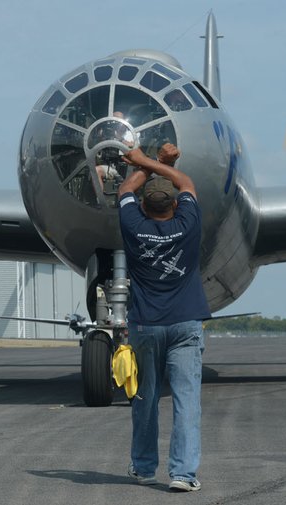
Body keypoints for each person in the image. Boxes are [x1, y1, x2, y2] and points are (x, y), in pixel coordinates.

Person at [117, 143, 211, 492]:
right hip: (186, 323)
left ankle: (143, 467)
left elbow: (126, 188)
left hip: (145, 325)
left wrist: (145, 164)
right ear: (174, 205)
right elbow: (186, 182)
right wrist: (160, 164)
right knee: (187, 402)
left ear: (143, 206)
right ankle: (183, 475)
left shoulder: (131, 223)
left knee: (145, 398)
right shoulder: (188, 223)